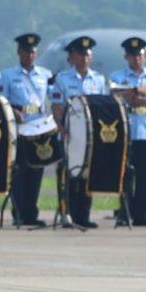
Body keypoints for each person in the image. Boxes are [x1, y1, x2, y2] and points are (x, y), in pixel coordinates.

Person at [51, 36, 109, 229]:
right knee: (68, 176)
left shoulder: (98, 80)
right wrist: (62, 129)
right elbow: (57, 107)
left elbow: (102, 106)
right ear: (73, 57)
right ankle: (66, 213)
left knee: (86, 175)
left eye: (87, 55)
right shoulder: (63, 79)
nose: (84, 59)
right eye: (80, 55)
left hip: (89, 136)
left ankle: (83, 216)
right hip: (70, 134)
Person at [2, 33, 55, 227]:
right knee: (19, 171)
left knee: (36, 170)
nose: (30, 56)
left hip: (39, 127)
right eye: (26, 52)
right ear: (19, 53)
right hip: (19, 127)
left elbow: (55, 98)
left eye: (33, 52)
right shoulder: (9, 76)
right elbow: (2, 101)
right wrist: (13, 111)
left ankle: (31, 212)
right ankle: (19, 212)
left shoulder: (45, 75)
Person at [112, 37, 146, 226]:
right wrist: (136, 91)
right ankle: (125, 212)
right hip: (127, 129)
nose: (136, 59)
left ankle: (142, 214)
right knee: (125, 173)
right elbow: (116, 95)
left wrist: (140, 98)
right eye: (133, 55)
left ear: (145, 57)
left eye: (140, 55)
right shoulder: (118, 77)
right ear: (126, 57)